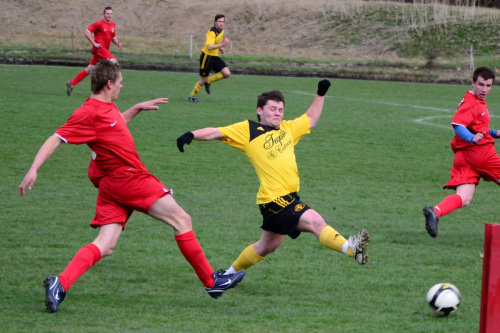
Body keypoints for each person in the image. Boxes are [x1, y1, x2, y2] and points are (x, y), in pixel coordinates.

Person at [19, 60, 245, 314]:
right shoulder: (88, 112)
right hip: (129, 179)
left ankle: (60, 284)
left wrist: (136, 109)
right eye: (120, 83)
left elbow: (114, 126)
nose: (122, 87)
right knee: (182, 219)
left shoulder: (107, 108)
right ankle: (211, 282)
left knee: (106, 244)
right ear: (109, 84)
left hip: (112, 186)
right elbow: (56, 138)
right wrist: (34, 168)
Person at [177, 79, 369, 279]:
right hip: (275, 199)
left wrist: (320, 94)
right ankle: (353, 250)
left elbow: (310, 118)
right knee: (314, 221)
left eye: (281, 109)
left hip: (287, 198)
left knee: (266, 247)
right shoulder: (248, 130)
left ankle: (227, 274)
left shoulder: (287, 129)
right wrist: (191, 134)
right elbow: (216, 132)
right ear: (260, 110)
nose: (277, 113)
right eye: (273, 109)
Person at [423, 66, 498, 238]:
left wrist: (494, 133)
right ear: (473, 82)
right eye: (480, 85)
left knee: (464, 198)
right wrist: (471, 139)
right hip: (481, 154)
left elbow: (477, 127)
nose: (484, 89)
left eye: (488, 85)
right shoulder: (472, 103)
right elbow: (458, 125)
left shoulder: (472, 100)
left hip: (463, 158)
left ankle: (435, 211)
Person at [66, 7, 123, 96]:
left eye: (111, 14)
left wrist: (118, 43)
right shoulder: (99, 23)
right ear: (104, 14)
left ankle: (71, 83)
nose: (109, 15)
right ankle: (111, 87)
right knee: (115, 64)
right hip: (100, 49)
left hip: (103, 51)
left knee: (89, 70)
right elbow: (87, 32)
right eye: (107, 14)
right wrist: (94, 43)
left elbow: (113, 37)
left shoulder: (113, 25)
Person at [188, 14, 231, 103]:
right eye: (219, 21)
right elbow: (210, 47)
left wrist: (220, 48)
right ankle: (192, 96)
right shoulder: (212, 32)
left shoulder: (221, 31)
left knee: (227, 73)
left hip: (215, 57)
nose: (221, 24)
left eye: (223, 22)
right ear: (215, 22)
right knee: (203, 80)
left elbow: (215, 43)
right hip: (207, 57)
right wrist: (222, 44)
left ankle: (209, 80)